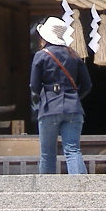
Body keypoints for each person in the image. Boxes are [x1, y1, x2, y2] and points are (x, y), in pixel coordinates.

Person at [29, 16, 92, 174]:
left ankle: (47, 192)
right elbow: (87, 85)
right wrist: (75, 97)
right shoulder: (74, 55)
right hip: (73, 108)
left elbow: (34, 86)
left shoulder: (41, 56)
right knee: (73, 151)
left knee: (47, 154)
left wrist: (44, 95)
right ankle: (80, 190)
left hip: (49, 107)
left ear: (44, 37)